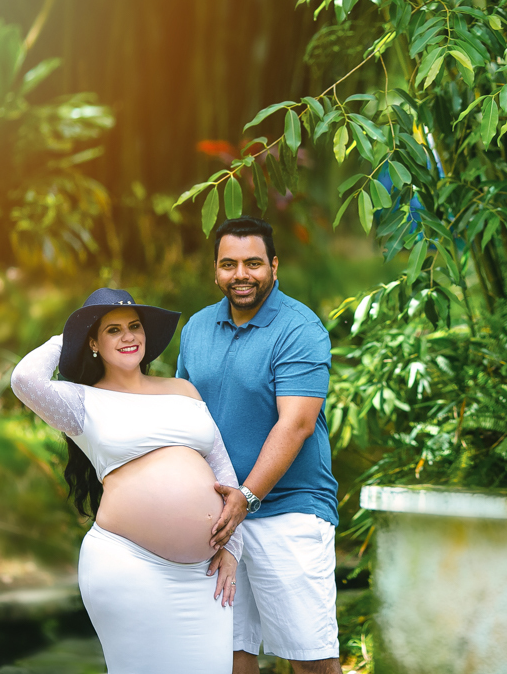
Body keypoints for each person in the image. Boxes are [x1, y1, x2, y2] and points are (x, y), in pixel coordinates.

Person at [11, 287, 243, 674]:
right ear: (95, 343)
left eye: (135, 326)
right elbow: (24, 378)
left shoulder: (183, 390)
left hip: (203, 573)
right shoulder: (81, 402)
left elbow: (225, 475)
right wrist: (68, 337)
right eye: (113, 330)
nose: (128, 336)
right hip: (129, 565)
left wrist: (234, 547)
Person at [177, 216, 341, 674]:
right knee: (227, 654)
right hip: (219, 516)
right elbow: (185, 416)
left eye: (253, 263)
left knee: (309, 657)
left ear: (273, 266)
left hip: (288, 509)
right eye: (229, 264)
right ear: (215, 271)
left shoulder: (299, 328)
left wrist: (247, 497)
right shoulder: (196, 329)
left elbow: (297, 424)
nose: (241, 275)